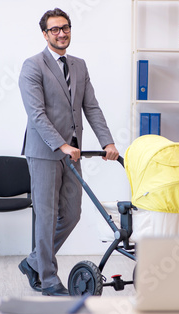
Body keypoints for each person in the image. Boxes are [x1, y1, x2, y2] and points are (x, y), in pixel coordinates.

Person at [17, 8, 119, 296]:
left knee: (72, 214)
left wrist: (107, 142)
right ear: (45, 34)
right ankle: (48, 279)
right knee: (46, 216)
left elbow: (92, 107)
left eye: (65, 27)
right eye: (55, 29)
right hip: (45, 153)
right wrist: (61, 144)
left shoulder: (79, 65)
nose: (61, 33)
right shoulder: (33, 66)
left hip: (73, 153)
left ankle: (34, 261)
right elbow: (36, 114)